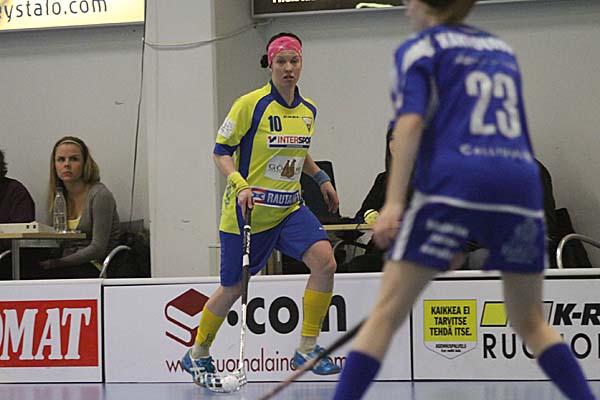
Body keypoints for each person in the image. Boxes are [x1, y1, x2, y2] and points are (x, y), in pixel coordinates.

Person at [333, 1, 596, 399]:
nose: (406, 8)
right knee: (530, 322)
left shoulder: (420, 49)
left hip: (461, 182)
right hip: (519, 183)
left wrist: (395, 203)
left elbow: (409, 125)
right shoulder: (499, 49)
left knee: (384, 315)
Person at [181, 32, 342, 384]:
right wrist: (239, 184)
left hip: (289, 209)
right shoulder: (249, 105)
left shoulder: (308, 110)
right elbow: (221, 151)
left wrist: (320, 178)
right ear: (270, 64)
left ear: (301, 63)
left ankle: (307, 347)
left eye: (294, 60)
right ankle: (197, 353)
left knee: (325, 261)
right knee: (233, 288)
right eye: (281, 61)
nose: (288, 68)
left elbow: (297, 150)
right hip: (248, 213)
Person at [34, 136, 120, 279]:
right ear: (54, 165)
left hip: (94, 265)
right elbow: (53, 240)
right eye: (61, 160)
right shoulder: (57, 196)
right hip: (63, 264)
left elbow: (98, 248)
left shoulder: (100, 195)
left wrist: (58, 263)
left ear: (85, 163)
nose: (67, 165)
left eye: (74, 159)